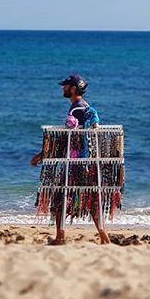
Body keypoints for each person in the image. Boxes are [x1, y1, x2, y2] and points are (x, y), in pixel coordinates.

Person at [31, 74, 111, 245]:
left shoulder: (77, 109)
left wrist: (42, 154)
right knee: (90, 199)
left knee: (60, 197)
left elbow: (66, 139)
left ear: (73, 89)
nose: (63, 88)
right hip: (88, 162)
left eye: (65, 86)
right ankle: (104, 237)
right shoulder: (85, 107)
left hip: (76, 163)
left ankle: (60, 237)